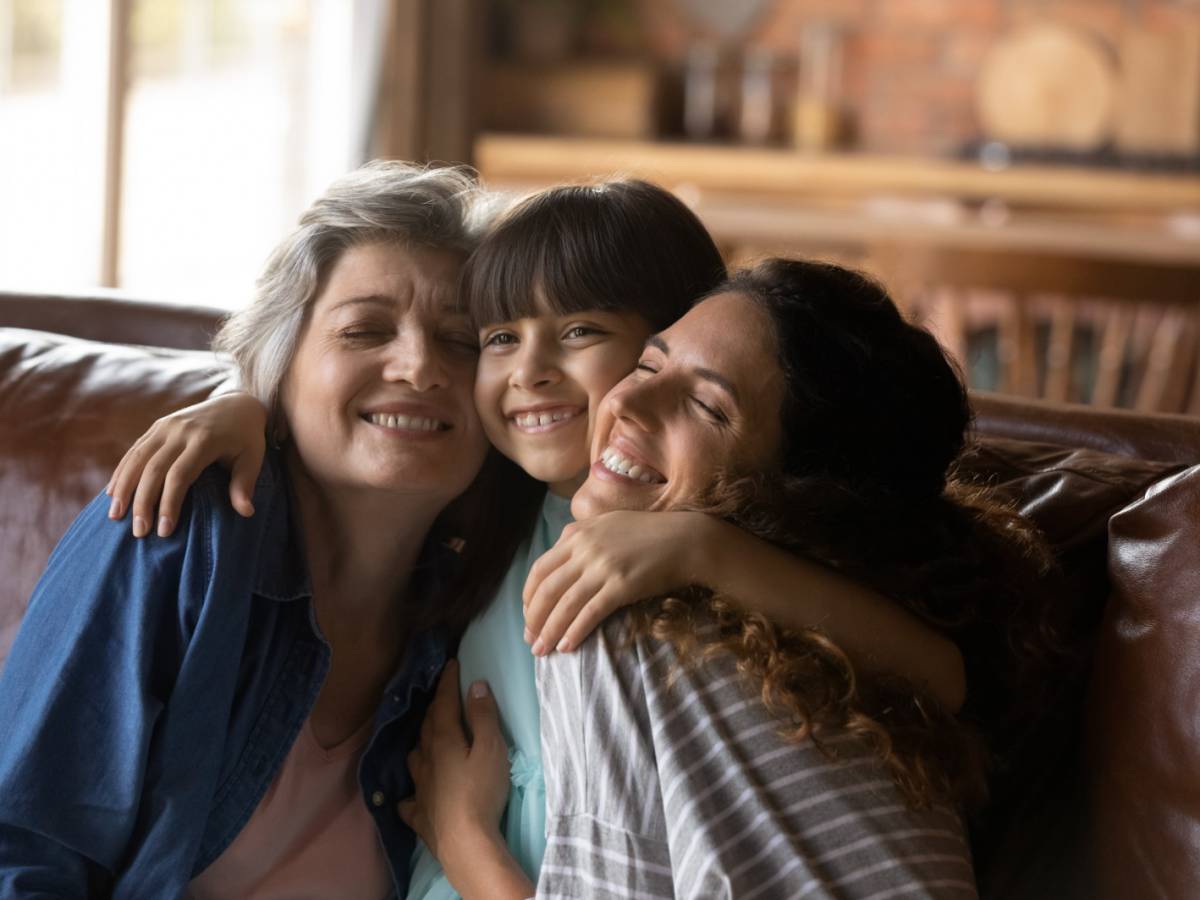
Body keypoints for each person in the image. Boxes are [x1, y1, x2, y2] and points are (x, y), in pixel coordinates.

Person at [104, 182, 971, 898]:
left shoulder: (663, 586)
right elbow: (376, 418)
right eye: (497, 339)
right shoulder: (482, 493)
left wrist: (706, 551)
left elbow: (942, 674)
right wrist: (246, 403)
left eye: (583, 333)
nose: (528, 371)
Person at [410, 258, 1054, 898]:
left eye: (706, 407)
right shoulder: (846, 637)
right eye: (648, 364)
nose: (628, 401)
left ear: (802, 493)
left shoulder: (633, 617)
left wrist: (466, 841)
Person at [0, 161, 518, 896]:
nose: (420, 366)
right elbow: (23, 853)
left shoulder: (483, 611)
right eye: (366, 330)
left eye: (462, 342)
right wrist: (236, 394)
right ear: (277, 372)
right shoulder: (178, 528)